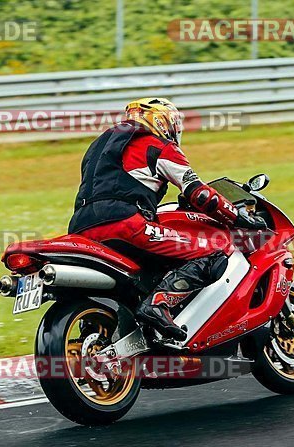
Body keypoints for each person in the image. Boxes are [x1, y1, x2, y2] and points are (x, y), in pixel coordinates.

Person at [68, 98, 266, 341]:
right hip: (126, 225)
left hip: (80, 230)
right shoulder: (158, 146)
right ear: (162, 121)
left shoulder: (97, 149)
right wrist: (236, 216)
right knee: (215, 252)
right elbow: (199, 193)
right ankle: (159, 305)